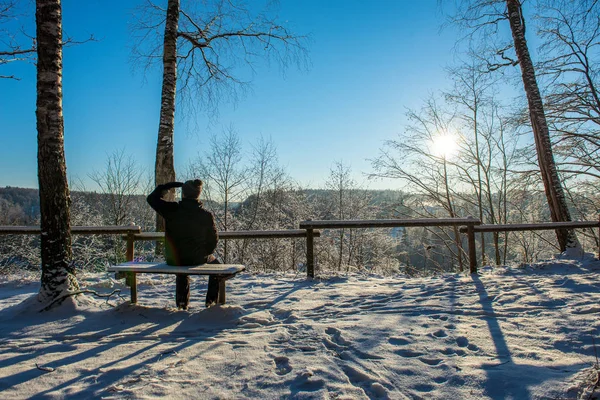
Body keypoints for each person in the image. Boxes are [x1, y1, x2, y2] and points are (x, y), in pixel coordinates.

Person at [147, 179, 220, 309]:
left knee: (181, 265)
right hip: (198, 258)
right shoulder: (205, 215)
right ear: (198, 194)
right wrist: (204, 253)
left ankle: (182, 304)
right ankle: (211, 303)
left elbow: (151, 199)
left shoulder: (172, 210)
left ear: (184, 194)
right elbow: (213, 240)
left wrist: (166, 186)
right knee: (217, 267)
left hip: (174, 259)